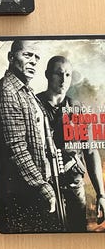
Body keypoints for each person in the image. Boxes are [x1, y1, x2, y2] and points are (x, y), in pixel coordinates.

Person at [37, 56, 105, 231]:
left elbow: (90, 151)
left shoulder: (77, 109)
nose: (63, 79)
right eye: (58, 74)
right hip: (44, 187)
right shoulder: (34, 105)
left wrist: (101, 194)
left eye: (67, 74)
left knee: (77, 234)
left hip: (74, 187)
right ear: (47, 75)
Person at [0, 40, 59, 232]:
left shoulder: (26, 91)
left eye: (36, 57)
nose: (33, 61)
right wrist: (41, 186)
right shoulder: (8, 91)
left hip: (38, 184)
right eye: (27, 55)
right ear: (11, 57)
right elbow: (16, 148)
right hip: (24, 191)